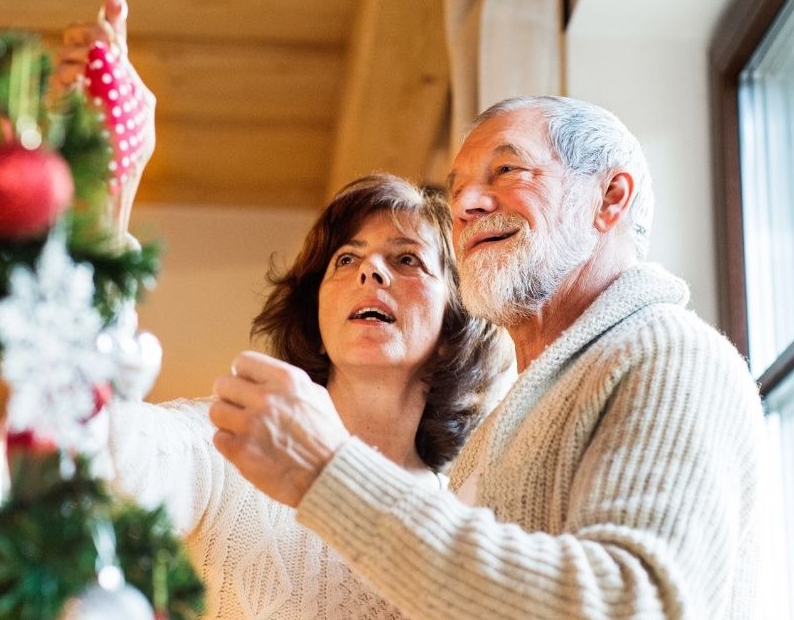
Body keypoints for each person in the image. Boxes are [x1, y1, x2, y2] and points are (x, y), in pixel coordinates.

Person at [211, 95, 766, 619]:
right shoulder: (492, 435)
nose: (467, 205)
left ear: (610, 198)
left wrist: (328, 473)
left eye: (507, 172)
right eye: (458, 192)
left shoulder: (671, 355)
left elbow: (632, 605)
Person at [97, 173, 511, 619]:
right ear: (317, 321)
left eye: (407, 259)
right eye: (346, 259)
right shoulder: (236, 440)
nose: (370, 270)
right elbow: (118, 467)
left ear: (456, 326)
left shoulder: (462, 515)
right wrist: (104, 251)